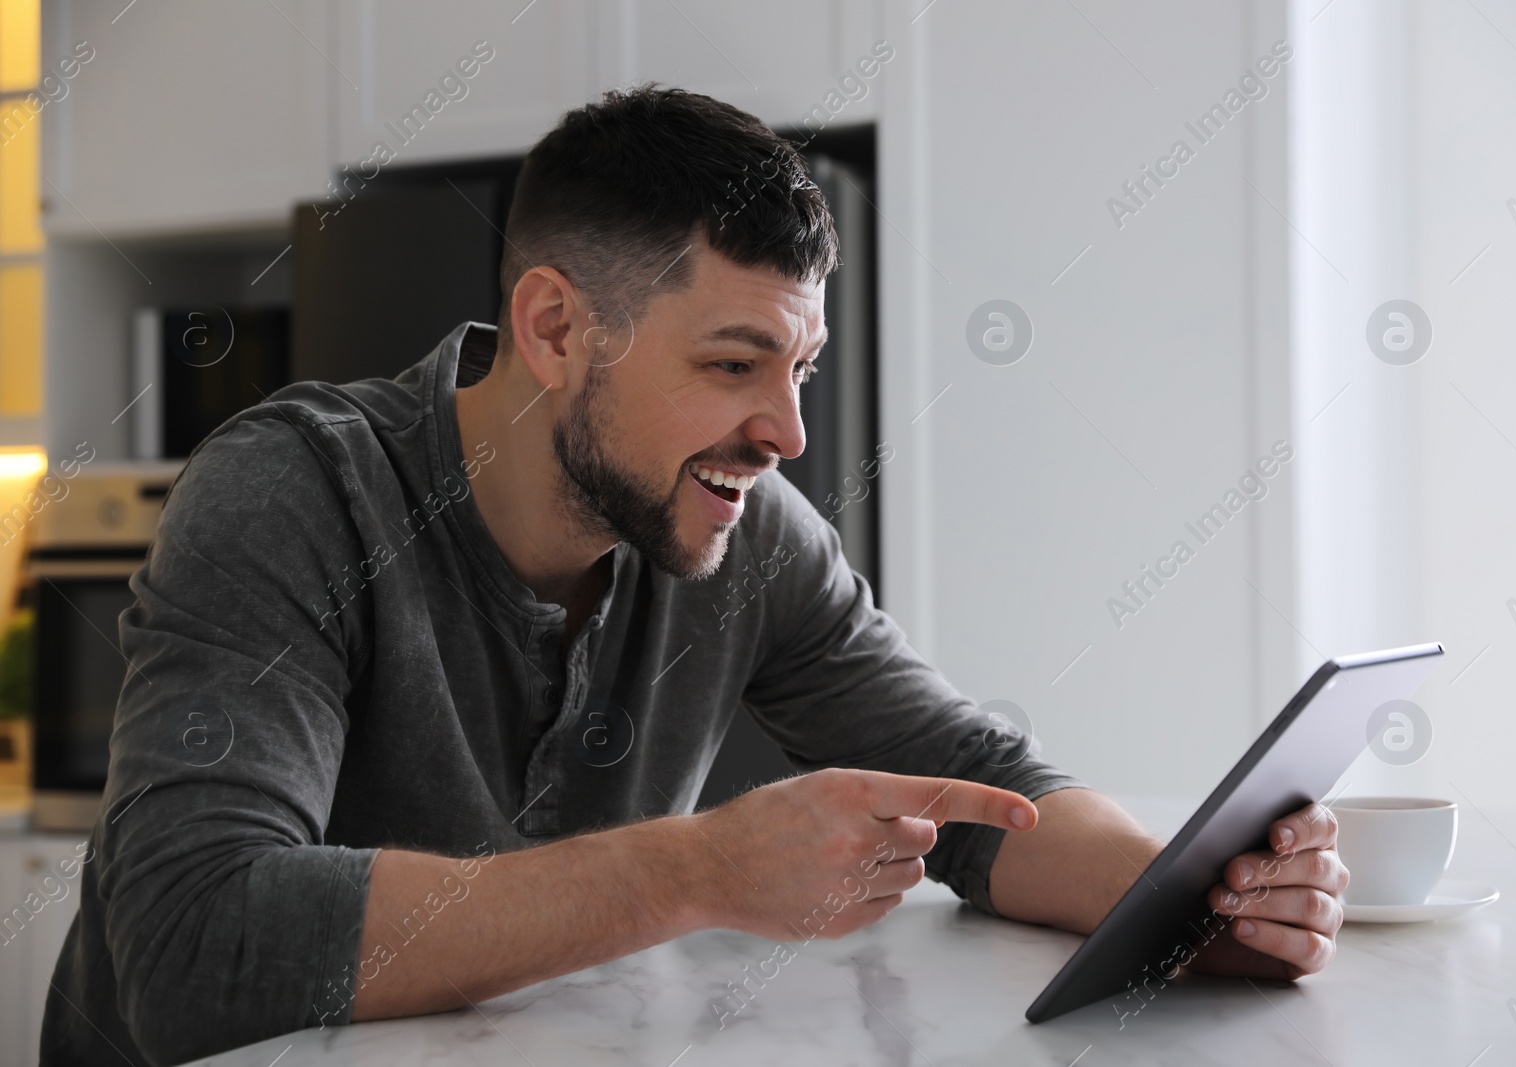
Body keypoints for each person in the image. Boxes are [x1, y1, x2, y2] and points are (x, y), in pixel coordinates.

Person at [40, 86, 1347, 1066]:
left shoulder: (745, 531)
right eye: (732, 365)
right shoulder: (295, 494)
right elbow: (191, 940)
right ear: (557, 328)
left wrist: (1186, 904)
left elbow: (973, 790)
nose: (786, 435)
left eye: (802, 372)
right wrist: (694, 871)